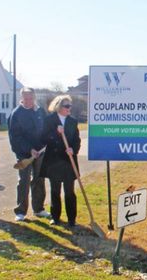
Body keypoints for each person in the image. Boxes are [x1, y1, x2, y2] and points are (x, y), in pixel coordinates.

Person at [8, 87, 50, 222]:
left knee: (39, 179)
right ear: (21, 98)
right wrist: (29, 149)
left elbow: (46, 129)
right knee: (24, 181)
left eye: (30, 98)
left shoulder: (40, 111)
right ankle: (21, 211)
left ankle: (38, 209)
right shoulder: (16, 114)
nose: (28, 101)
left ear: (34, 97)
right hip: (24, 154)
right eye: (25, 98)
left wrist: (44, 144)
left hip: (41, 152)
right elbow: (15, 137)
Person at [40, 95, 80, 227]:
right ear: (59, 106)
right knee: (55, 191)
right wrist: (56, 134)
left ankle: (71, 219)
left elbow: (76, 140)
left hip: (68, 161)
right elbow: (43, 138)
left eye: (70, 106)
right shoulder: (49, 120)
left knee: (69, 191)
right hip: (54, 161)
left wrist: (73, 150)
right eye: (66, 106)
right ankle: (55, 217)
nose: (69, 108)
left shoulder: (73, 122)